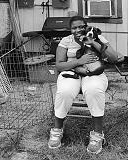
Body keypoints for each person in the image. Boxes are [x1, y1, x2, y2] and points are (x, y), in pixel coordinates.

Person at [48, 15, 119, 154]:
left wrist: (93, 42)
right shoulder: (66, 41)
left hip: (94, 72)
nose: (78, 30)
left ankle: (97, 135)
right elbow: (59, 65)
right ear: (70, 29)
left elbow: (114, 58)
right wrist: (79, 61)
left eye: (81, 26)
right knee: (65, 91)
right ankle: (57, 130)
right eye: (74, 27)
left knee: (94, 90)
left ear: (86, 27)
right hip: (71, 71)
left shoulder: (96, 36)